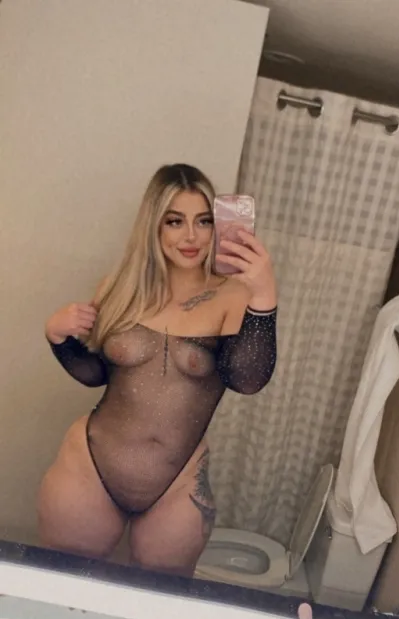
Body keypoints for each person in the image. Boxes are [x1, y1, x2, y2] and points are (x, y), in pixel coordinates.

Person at [38, 163, 277, 576]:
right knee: (63, 586)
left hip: (178, 482)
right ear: (154, 225)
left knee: (160, 599)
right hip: (89, 466)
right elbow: (98, 374)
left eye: (203, 221)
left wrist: (266, 297)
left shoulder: (235, 295)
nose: (191, 236)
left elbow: (247, 379)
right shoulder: (119, 287)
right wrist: (57, 338)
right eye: (175, 221)